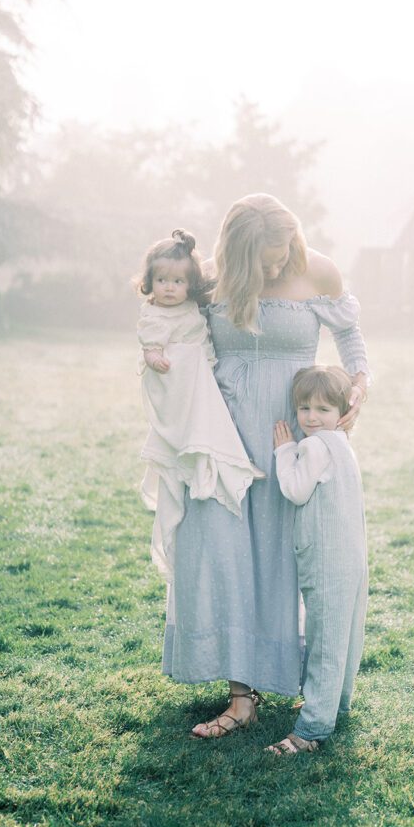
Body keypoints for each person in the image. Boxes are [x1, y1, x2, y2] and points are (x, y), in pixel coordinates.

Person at [161, 193, 371, 738]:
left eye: (282, 255)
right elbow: (170, 327)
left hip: (291, 436)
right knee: (223, 551)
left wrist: (360, 380)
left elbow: (348, 333)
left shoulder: (318, 271)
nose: (276, 267)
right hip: (222, 433)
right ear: (237, 253)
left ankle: (297, 674)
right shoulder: (211, 282)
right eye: (265, 260)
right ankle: (240, 696)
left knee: (282, 555)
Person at [136, 229, 260, 581]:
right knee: (185, 425)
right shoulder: (155, 313)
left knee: (207, 422)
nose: (169, 288)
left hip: (200, 376)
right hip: (173, 378)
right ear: (150, 282)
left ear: (190, 285)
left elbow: (203, 336)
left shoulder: (192, 307)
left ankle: (209, 462)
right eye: (161, 280)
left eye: (177, 281)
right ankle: (189, 454)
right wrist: (156, 355)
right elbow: (150, 343)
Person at [267, 365, 368, 754]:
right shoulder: (342, 444)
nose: (311, 417)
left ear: (341, 411)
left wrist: (283, 451)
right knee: (344, 632)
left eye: (323, 409)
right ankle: (335, 703)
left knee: (325, 640)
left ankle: (312, 729)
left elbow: (294, 489)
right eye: (304, 408)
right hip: (351, 556)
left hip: (325, 557)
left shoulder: (313, 446)